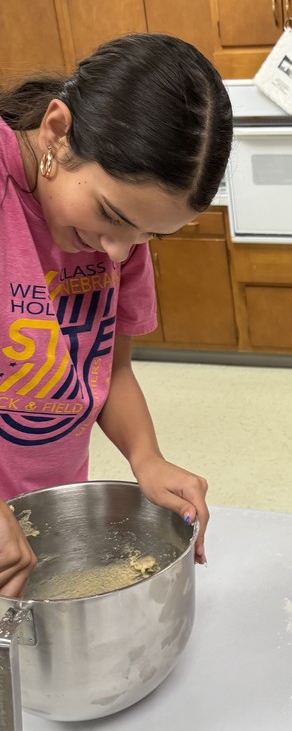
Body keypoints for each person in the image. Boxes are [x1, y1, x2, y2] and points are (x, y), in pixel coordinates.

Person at [0, 33, 233, 598]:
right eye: (110, 214)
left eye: (150, 234)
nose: (119, 251)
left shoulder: (120, 238)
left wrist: (146, 457)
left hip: (44, 499)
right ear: (56, 131)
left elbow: (110, 368)